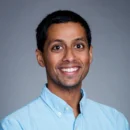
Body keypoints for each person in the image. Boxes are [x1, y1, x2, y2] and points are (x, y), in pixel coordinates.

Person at [0, 10, 129, 130]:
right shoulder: (16, 125)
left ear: (90, 54)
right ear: (40, 57)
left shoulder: (116, 122)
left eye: (78, 46)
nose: (69, 57)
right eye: (57, 47)